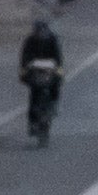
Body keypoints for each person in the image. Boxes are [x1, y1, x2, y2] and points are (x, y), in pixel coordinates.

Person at [19, 14, 64, 143]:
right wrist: (24, 73)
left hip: (49, 70)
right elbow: (24, 59)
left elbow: (58, 58)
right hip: (35, 71)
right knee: (33, 95)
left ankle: (54, 104)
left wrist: (58, 72)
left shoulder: (52, 39)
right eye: (38, 31)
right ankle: (32, 123)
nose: (40, 34)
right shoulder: (29, 41)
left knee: (56, 85)